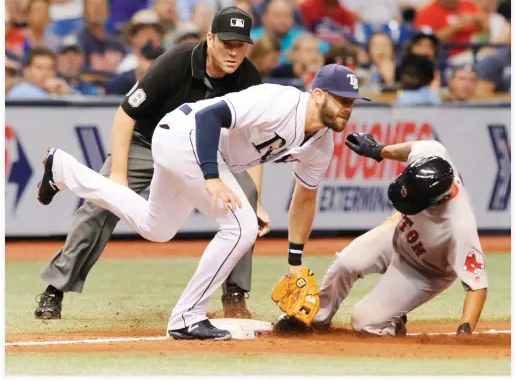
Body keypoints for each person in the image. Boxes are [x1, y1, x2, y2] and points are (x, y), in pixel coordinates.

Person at [36, 63, 371, 340]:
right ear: (317, 94)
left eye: (352, 102)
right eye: (342, 100)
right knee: (241, 227)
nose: (348, 108)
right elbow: (209, 116)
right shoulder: (281, 102)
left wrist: (295, 261)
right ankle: (186, 317)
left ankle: (65, 169)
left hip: (193, 148)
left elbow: (305, 198)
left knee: (158, 227)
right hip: (186, 135)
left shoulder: (321, 143)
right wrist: (211, 177)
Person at [33, 7, 265, 322]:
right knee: (99, 206)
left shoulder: (248, 78)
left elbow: (252, 143)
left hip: (202, 153)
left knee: (245, 200)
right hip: (148, 142)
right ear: (210, 39)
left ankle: (234, 292)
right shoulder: (176, 62)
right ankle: (54, 290)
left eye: (240, 45)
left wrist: (257, 200)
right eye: (227, 43)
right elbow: (126, 114)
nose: (234, 51)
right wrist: (118, 175)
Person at [276, 134, 488, 338]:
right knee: (345, 264)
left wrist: (465, 331)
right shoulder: (434, 153)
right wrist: (378, 151)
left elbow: (477, 287)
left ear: (436, 202)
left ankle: (392, 324)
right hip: (398, 232)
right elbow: (413, 148)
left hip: (423, 270)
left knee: (364, 321)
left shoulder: (460, 227)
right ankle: (317, 318)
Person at [414, 0, 487, 60]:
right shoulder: (426, 13)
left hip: (475, 53)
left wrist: (475, 18)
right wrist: (458, 25)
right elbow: (429, 41)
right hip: (445, 58)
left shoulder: (467, 5)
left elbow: (486, 26)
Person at [77, 0, 127, 72]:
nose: (97, 8)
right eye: (92, 5)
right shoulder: (78, 41)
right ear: (83, 11)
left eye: (101, 4)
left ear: (108, 10)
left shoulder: (117, 43)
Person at [7, 47, 74, 99]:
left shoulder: (57, 89)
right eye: (39, 67)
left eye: (50, 68)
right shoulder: (21, 91)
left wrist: (65, 90)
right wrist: (59, 93)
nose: (45, 72)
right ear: (26, 71)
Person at [116, 9, 164, 74]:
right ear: (132, 37)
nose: (150, 37)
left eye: (154, 32)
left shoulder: (167, 61)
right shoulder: (127, 66)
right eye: (144, 32)